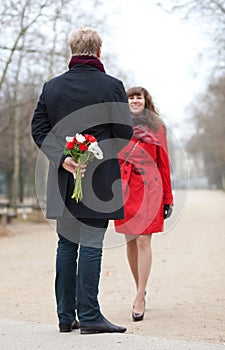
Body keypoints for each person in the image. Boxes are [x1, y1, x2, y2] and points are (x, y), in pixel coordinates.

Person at [31, 27, 133, 334]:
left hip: (64, 179)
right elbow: (125, 132)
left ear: (72, 50)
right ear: (99, 51)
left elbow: (39, 129)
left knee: (66, 244)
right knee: (90, 244)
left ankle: (65, 316)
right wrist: (97, 155)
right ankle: (89, 316)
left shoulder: (52, 87)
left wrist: (64, 158)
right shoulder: (113, 86)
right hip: (100, 180)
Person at [114, 86, 173, 322]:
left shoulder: (156, 128)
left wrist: (167, 198)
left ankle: (140, 296)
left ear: (145, 101)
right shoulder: (118, 127)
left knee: (143, 240)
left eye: (139, 97)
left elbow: (164, 163)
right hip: (125, 188)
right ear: (125, 102)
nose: (135, 100)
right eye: (131, 97)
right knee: (130, 242)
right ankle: (141, 285)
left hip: (150, 188)